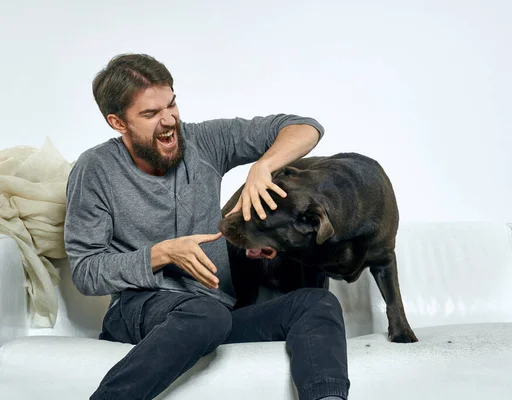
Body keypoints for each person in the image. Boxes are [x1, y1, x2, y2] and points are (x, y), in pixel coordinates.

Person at [64, 53, 350, 400]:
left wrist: (263, 166)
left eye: (171, 104)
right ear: (118, 123)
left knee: (317, 303)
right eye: (151, 114)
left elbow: (304, 126)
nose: (169, 120)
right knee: (205, 314)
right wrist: (161, 254)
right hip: (140, 308)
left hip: (218, 313)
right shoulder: (95, 169)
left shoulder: (204, 142)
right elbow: (86, 270)